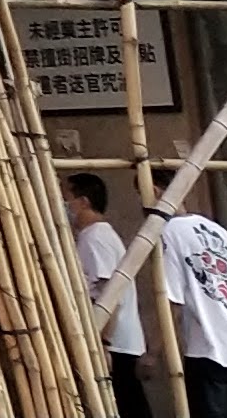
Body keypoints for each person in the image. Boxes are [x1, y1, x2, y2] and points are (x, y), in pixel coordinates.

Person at [161, 192, 227, 418]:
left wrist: (154, 351)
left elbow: (171, 301)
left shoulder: (169, 232)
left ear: (154, 191)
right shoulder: (216, 230)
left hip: (209, 350)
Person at [67, 175, 155, 418]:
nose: (65, 206)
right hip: (116, 341)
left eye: (67, 199)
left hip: (115, 343)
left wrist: (104, 342)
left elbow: (110, 294)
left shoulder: (96, 237)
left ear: (83, 201)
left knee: (127, 405)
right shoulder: (93, 236)